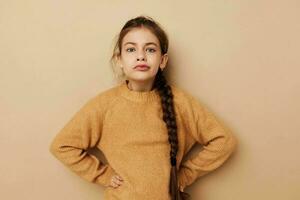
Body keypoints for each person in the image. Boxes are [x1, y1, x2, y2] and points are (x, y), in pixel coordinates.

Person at [49, 15, 237, 200]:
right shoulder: (104, 105)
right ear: (119, 60)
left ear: (162, 61)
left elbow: (223, 141)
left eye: (150, 50)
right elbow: (62, 146)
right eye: (131, 50)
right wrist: (103, 175)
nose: (140, 56)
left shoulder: (180, 102)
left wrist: (186, 174)